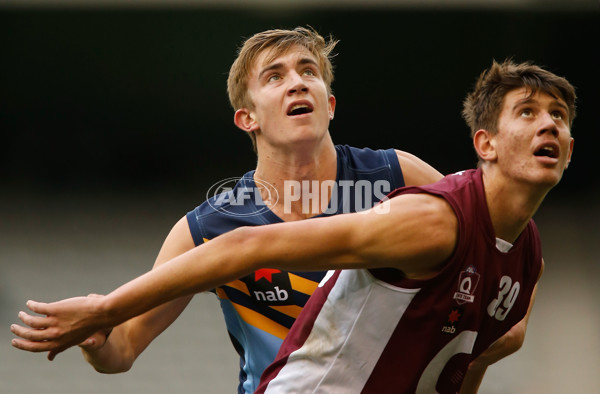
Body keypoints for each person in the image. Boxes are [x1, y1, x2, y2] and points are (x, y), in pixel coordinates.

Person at [10, 58, 573, 391]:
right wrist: (100, 333)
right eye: (275, 75)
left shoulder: (397, 174)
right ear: (246, 117)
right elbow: (123, 350)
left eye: (310, 71)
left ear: (332, 103)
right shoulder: (211, 226)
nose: (298, 82)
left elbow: (490, 266)